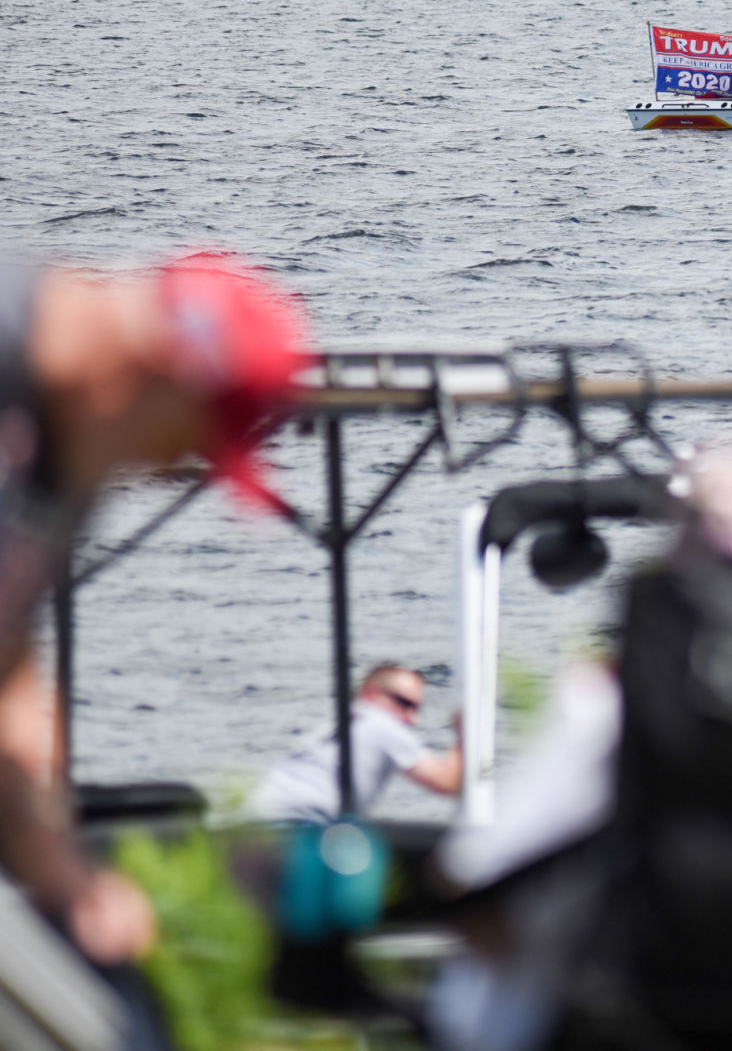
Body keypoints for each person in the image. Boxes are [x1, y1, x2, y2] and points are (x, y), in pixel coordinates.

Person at [0, 251, 305, 971]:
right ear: (158, 370)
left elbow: (8, 669)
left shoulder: (72, 449)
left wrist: (67, 876)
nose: (175, 471)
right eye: (191, 441)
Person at [249, 662, 463, 823]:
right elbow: (447, 782)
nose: (411, 718)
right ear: (371, 694)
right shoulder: (382, 723)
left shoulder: (338, 723)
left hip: (253, 820)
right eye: (403, 703)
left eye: (416, 708)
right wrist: (463, 732)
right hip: (296, 823)